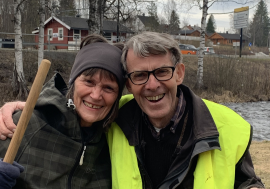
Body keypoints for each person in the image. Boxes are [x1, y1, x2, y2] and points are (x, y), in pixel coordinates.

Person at [0, 32, 265, 189]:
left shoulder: (225, 127)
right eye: (139, 75)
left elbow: (245, 181)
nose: (152, 85)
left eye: (162, 72)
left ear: (180, 73)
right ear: (130, 83)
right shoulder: (113, 119)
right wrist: (21, 108)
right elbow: (67, 109)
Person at [0, 34, 125, 189]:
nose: (95, 95)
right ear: (73, 82)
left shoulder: (116, 140)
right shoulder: (22, 126)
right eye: (88, 82)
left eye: (109, 88)